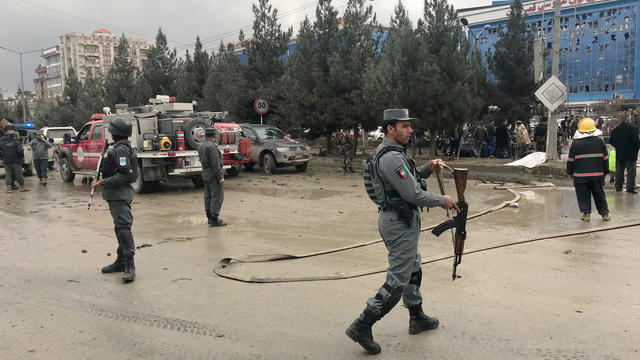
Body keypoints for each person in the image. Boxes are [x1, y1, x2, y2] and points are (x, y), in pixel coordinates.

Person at [345, 109, 459, 355]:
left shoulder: (395, 154)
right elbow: (413, 194)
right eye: (404, 126)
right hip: (399, 222)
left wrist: (428, 168)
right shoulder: (391, 158)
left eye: (410, 126)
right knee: (398, 279)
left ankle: (416, 317)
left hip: (401, 219)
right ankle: (363, 324)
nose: (410, 131)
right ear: (390, 129)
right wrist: (443, 200)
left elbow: (411, 179)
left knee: (413, 267)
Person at [91, 117, 138, 283]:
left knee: (124, 228)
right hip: (116, 195)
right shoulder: (119, 148)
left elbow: (124, 175)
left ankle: (129, 266)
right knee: (119, 228)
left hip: (120, 195)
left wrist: (103, 182)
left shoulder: (121, 150)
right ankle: (121, 261)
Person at [567, 118, 610, 222]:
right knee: (599, 194)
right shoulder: (600, 142)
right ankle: (604, 214)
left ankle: (586, 215)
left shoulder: (575, 144)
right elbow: (605, 159)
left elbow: (571, 160)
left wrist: (570, 172)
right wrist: (605, 172)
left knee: (583, 195)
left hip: (580, 176)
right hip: (597, 175)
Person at [198, 128, 226, 227]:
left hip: (205, 172)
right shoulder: (212, 146)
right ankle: (214, 219)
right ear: (214, 136)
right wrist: (220, 176)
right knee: (217, 196)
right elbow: (215, 163)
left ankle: (210, 217)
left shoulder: (201, 145)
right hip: (213, 173)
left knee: (208, 196)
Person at [609, 114, 640, 194]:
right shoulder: (633, 129)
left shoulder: (615, 130)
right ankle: (630, 188)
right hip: (631, 154)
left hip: (619, 153)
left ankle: (618, 187)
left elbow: (610, 141)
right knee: (631, 172)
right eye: (630, 119)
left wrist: (618, 147)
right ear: (627, 120)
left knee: (619, 171)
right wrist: (636, 149)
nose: (631, 120)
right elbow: (637, 142)